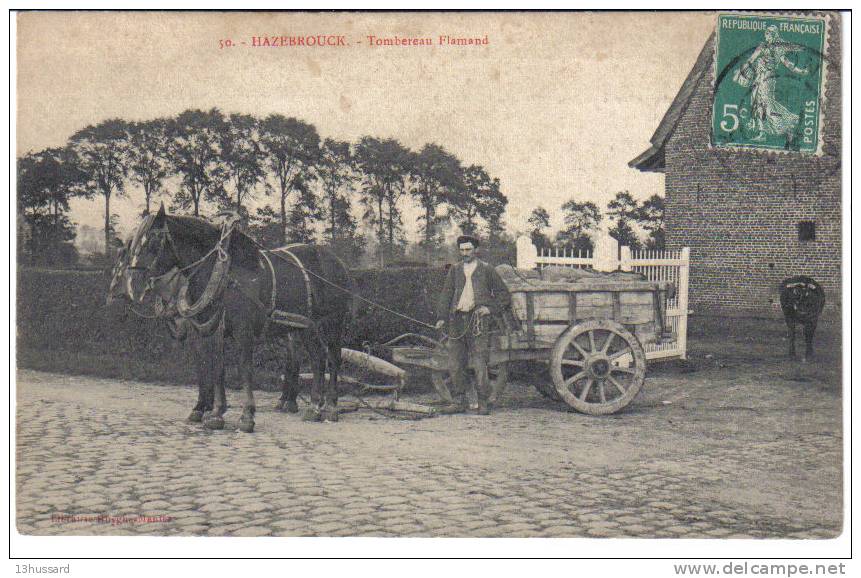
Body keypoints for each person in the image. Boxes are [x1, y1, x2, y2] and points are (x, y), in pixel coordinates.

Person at [435, 235, 511, 415]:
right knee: (455, 361)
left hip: (478, 321)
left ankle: (483, 401)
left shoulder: (487, 270)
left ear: (476, 250)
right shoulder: (455, 270)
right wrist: (441, 317)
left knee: (479, 361)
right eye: (462, 250)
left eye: (468, 249)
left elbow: (504, 296)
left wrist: (489, 309)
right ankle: (459, 401)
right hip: (457, 321)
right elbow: (446, 294)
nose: (465, 253)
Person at [734, 25, 809, 143]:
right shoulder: (762, 46)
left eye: (770, 34)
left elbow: (787, 63)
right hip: (758, 78)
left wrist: (800, 71)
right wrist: (742, 70)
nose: (767, 36)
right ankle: (763, 132)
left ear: (774, 36)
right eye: (767, 34)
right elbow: (751, 59)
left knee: (766, 104)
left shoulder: (778, 49)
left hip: (769, 79)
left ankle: (788, 124)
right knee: (757, 103)